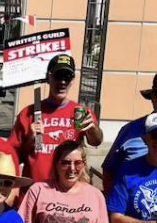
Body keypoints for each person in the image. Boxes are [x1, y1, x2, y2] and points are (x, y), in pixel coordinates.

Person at [8, 54, 103, 183]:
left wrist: (92, 129)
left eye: (67, 77)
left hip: (68, 190)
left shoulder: (81, 113)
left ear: (73, 80)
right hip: (35, 189)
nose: (62, 82)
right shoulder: (28, 113)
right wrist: (30, 140)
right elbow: (12, 157)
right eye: (58, 76)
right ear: (48, 78)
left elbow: (96, 142)